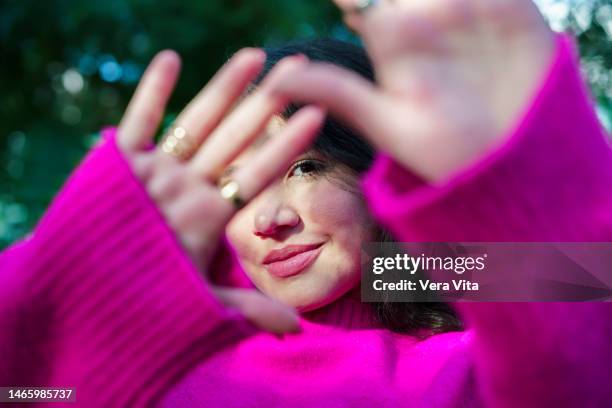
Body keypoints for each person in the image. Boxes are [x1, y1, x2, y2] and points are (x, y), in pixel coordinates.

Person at [1, 0, 611, 407]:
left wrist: (527, 161)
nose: (271, 220)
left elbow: (587, 301)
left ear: (375, 162)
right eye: (234, 186)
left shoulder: (418, 288)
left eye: (305, 167)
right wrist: (49, 283)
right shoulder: (161, 326)